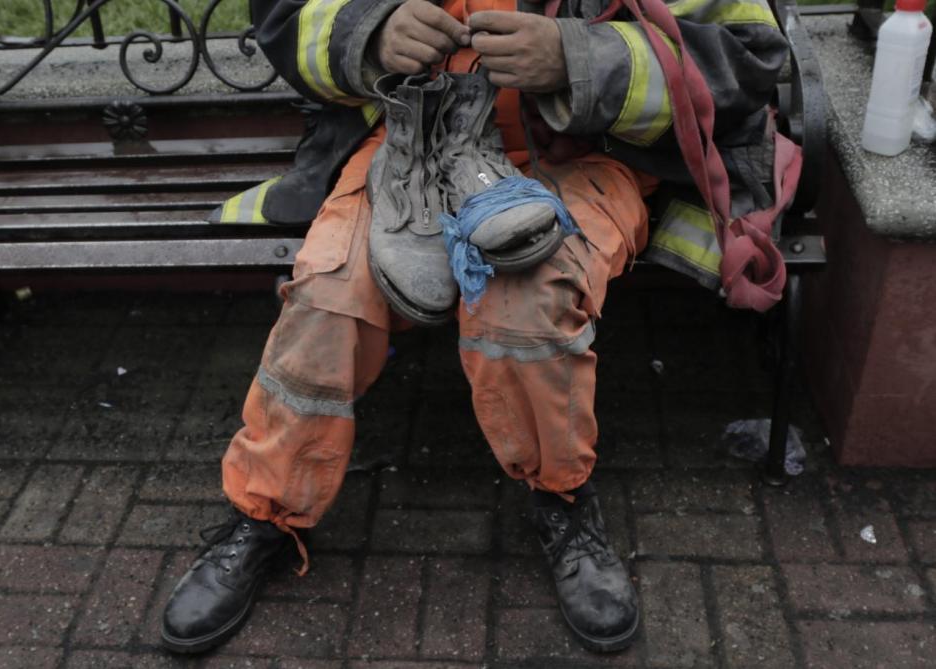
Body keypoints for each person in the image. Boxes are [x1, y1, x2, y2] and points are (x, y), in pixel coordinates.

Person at [161, 0, 788, 655]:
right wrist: (370, 33)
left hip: (582, 159)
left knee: (524, 304)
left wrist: (577, 57)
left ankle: (563, 500)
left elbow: (746, 55)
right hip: (409, 147)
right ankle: (265, 513)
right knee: (327, 297)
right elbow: (287, 16)